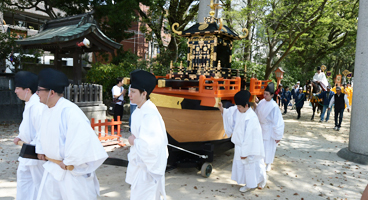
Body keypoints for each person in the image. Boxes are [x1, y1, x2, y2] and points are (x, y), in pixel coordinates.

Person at [35, 68, 108, 200]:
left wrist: (69, 161)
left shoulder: (70, 111)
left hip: (70, 171)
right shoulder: (46, 109)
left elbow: (81, 141)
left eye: (39, 90)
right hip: (53, 168)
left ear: (51, 92)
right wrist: (40, 149)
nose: (37, 93)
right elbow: (43, 132)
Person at [126, 70, 168, 200]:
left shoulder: (149, 114)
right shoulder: (139, 110)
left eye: (133, 92)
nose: (129, 95)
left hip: (147, 171)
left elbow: (151, 146)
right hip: (140, 166)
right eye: (130, 91)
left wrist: (134, 142)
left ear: (144, 94)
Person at [219, 90, 267, 192]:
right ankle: (251, 182)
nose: (237, 108)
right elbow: (230, 112)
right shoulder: (239, 110)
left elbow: (250, 138)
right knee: (245, 165)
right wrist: (222, 109)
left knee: (252, 164)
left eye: (239, 107)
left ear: (246, 105)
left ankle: (252, 183)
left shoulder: (252, 118)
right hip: (240, 144)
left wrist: (245, 152)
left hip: (250, 147)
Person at [13, 71, 46, 200]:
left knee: (39, 186)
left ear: (27, 90)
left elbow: (42, 131)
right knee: (24, 182)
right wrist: (21, 136)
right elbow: (28, 127)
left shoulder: (37, 106)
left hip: (35, 152)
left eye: (17, 88)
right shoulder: (29, 104)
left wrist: (40, 149)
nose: (15, 91)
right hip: (27, 151)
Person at [254, 82, 285, 172]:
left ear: (272, 95)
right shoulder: (262, 102)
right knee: (260, 147)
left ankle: (268, 163)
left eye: (267, 94)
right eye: (264, 93)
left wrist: (278, 135)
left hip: (270, 129)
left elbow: (278, 122)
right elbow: (258, 111)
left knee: (269, 147)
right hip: (261, 128)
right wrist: (255, 103)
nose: (264, 95)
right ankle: (260, 163)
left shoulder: (274, 106)